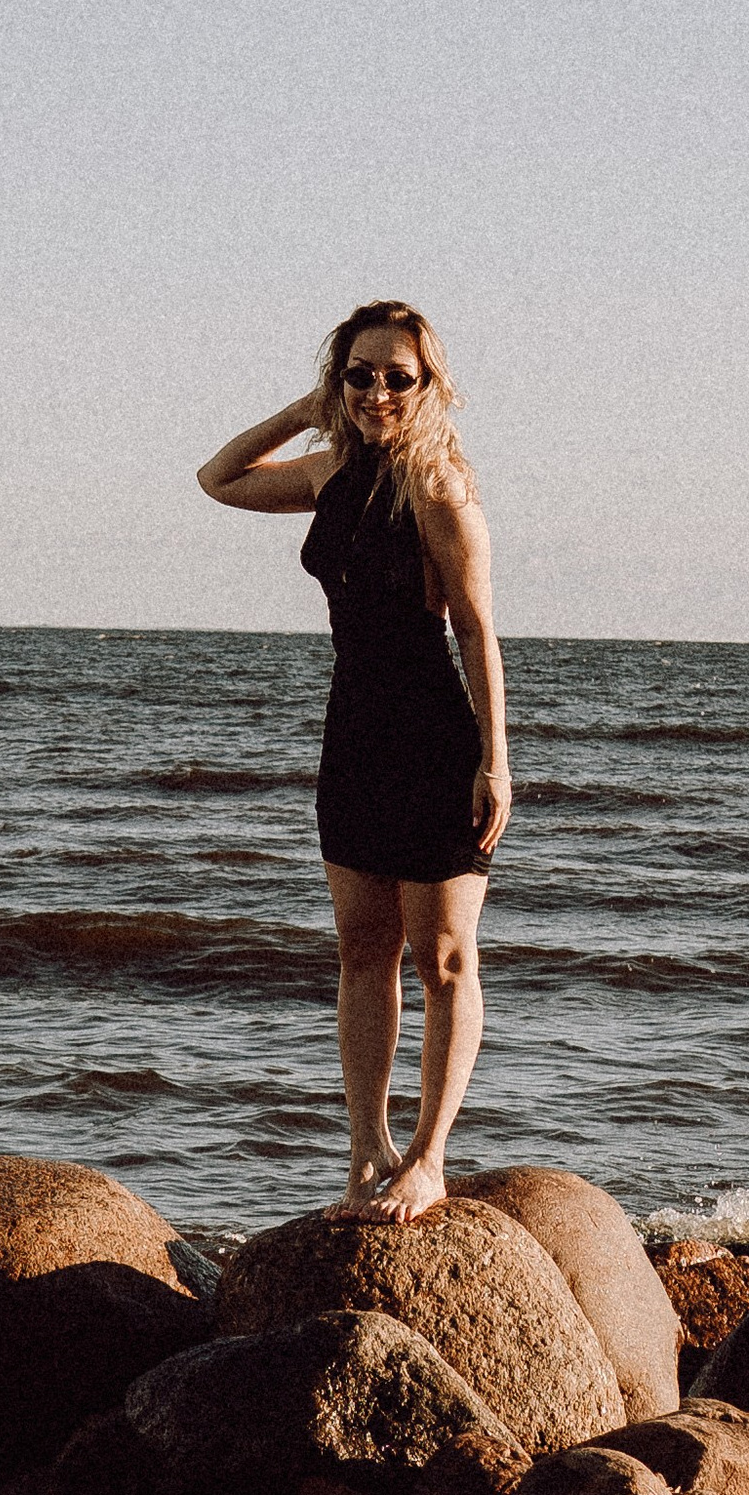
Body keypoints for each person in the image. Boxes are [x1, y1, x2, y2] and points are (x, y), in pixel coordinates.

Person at [197, 301, 510, 1221]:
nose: (378, 391)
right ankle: (367, 1151)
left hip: (434, 739)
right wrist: (305, 409)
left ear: (429, 387)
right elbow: (217, 479)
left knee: (444, 957)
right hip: (354, 737)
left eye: (397, 377)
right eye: (360, 374)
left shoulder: (441, 491)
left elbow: (478, 633)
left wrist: (496, 763)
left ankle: (429, 1158)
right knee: (362, 951)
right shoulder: (332, 470)